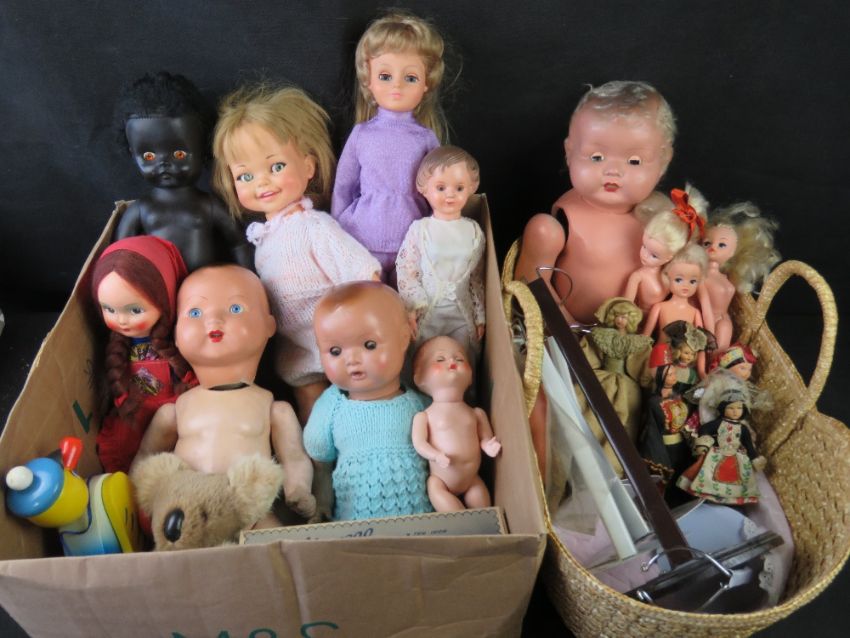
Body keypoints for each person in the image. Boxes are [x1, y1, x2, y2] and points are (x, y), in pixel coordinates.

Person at [212, 84, 380, 424]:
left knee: (357, 407)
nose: (262, 183)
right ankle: (315, 456)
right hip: (297, 351)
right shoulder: (262, 239)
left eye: (276, 167)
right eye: (246, 175)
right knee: (310, 410)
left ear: (308, 166)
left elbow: (364, 273)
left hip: (341, 344)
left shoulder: (314, 226)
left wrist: (373, 324)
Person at [133, 264, 316, 527]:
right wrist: (137, 503)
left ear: (269, 325)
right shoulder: (177, 410)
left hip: (249, 514)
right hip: (186, 513)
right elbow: (145, 457)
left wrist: (298, 490)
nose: (213, 321)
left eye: (236, 308)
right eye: (195, 312)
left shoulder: (273, 408)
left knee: (272, 541)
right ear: (176, 334)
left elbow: (294, 458)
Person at [514, 81, 676, 324]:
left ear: (663, 161)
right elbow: (531, 287)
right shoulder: (559, 224)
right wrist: (569, 330)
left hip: (641, 332)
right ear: (569, 152)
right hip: (572, 332)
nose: (613, 171)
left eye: (634, 161)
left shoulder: (665, 220)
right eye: (597, 157)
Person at [332, 11, 446, 283]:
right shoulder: (361, 134)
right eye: (385, 75)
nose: (397, 85)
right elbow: (343, 187)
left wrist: (438, 232)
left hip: (411, 240)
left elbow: (439, 190)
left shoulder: (425, 138)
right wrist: (337, 231)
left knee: (409, 297)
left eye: (410, 78)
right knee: (368, 298)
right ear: (368, 80)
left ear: (426, 84)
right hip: (361, 237)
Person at [303, 281, 431, 520]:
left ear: (405, 337)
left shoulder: (420, 404)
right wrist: (322, 501)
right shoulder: (333, 406)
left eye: (369, 345)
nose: (351, 359)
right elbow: (320, 461)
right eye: (335, 351)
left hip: (422, 522)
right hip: (356, 525)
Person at [113, 71, 252, 272]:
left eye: (179, 154)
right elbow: (120, 252)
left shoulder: (208, 205)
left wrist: (248, 277)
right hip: (160, 283)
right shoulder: (141, 209)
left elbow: (238, 242)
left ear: (203, 149)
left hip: (205, 285)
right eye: (149, 156)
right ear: (132, 154)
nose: (163, 164)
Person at [91, 235, 195, 473]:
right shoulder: (119, 344)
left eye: (135, 310)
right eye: (108, 309)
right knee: (123, 448)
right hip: (137, 410)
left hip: (176, 406)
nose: (121, 320)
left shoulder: (180, 336)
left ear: (166, 297)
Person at [396, 146, 485, 358]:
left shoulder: (474, 231)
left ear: (471, 188)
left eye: (459, 188)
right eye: (441, 188)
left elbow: (476, 278)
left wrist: (480, 315)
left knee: (462, 359)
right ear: (424, 188)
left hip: (461, 315)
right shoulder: (420, 229)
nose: (450, 195)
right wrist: (412, 306)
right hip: (428, 313)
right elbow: (407, 270)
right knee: (423, 358)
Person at [411, 336, 500, 512]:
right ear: (420, 378)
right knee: (451, 509)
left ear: (471, 377)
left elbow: (485, 438)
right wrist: (435, 455)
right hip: (441, 481)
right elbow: (419, 443)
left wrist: (488, 446)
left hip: (472, 479)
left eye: (459, 359)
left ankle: (483, 524)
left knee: (484, 510)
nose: (452, 361)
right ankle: (460, 522)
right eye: (440, 359)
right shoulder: (424, 416)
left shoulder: (476, 413)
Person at [701, 202, 780, 350]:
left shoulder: (726, 278)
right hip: (705, 320)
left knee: (720, 351)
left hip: (724, 319)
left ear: (733, 252)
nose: (712, 247)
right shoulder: (701, 276)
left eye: (722, 245)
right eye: (707, 243)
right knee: (708, 350)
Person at [623, 186, 708, 317]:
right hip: (639, 320)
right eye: (644, 247)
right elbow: (625, 306)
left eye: (654, 255)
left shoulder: (673, 275)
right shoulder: (638, 276)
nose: (644, 255)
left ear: (669, 257)